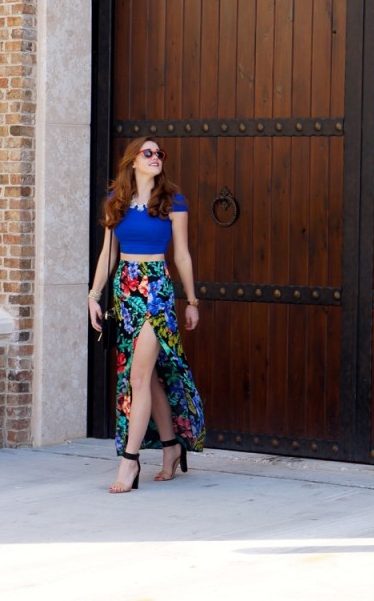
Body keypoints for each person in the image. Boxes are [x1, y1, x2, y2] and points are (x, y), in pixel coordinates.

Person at [87, 136, 205, 493]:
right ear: (133, 160)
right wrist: (93, 295)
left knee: (138, 378)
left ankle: (129, 461)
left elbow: (181, 254)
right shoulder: (117, 201)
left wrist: (192, 300)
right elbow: (109, 253)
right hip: (125, 292)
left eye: (159, 154)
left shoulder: (172, 200)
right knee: (148, 378)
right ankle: (171, 448)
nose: (156, 158)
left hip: (156, 292)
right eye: (148, 153)